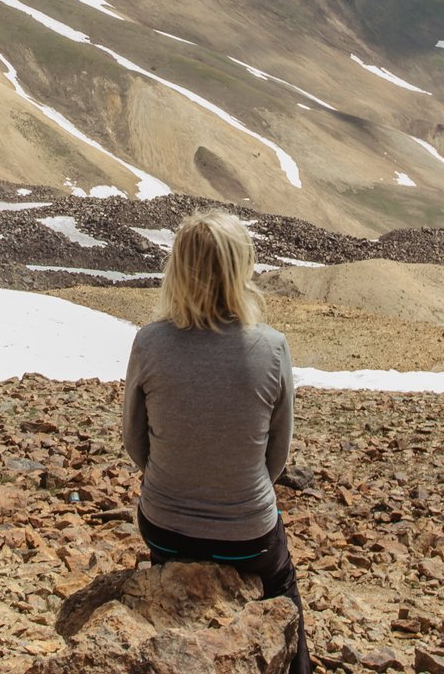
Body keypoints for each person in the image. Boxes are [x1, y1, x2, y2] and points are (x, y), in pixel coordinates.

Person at [121, 210, 311, 674]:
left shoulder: (150, 342)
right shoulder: (271, 347)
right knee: (285, 592)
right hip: (248, 534)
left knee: (166, 571)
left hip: (165, 527)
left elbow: (133, 440)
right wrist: (236, 489)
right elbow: (277, 455)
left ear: (178, 270)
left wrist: (176, 478)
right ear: (240, 270)